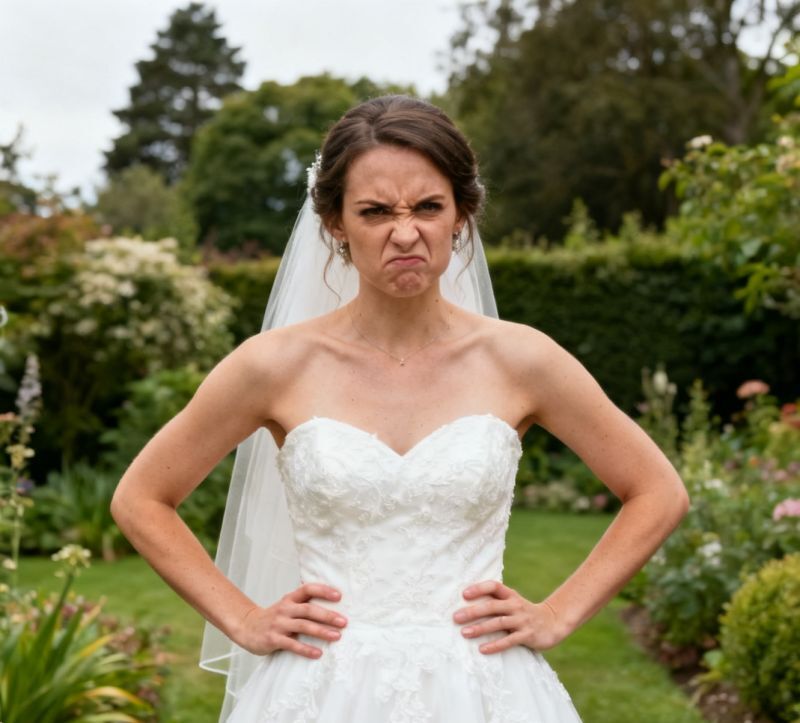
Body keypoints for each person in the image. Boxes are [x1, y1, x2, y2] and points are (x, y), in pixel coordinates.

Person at [111, 95, 689, 722]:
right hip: (319, 692)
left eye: (429, 207)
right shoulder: (273, 365)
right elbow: (141, 498)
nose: (406, 233)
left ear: (461, 213)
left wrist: (557, 613)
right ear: (335, 222)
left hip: (486, 690)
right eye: (376, 211)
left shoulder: (522, 359)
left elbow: (657, 491)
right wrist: (244, 618)